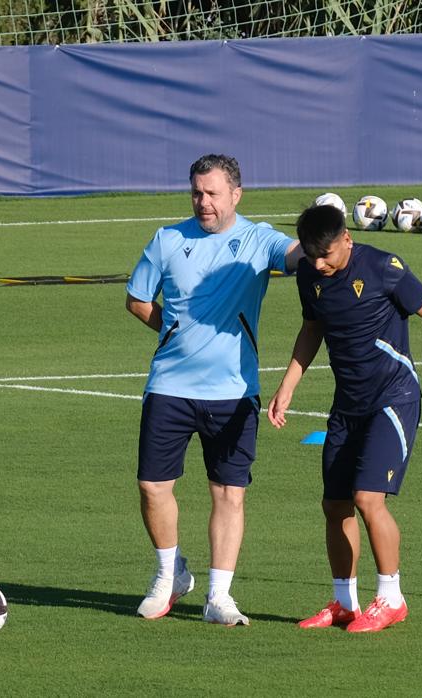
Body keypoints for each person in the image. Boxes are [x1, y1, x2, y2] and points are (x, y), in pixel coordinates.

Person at [125, 154, 303, 626]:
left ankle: (218, 596)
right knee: (152, 485)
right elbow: (138, 300)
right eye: (197, 193)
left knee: (228, 493)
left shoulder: (258, 239)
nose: (203, 202)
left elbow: (297, 255)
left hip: (233, 391)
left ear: (236, 195)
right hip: (169, 385)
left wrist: (320, 237)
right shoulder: (168, 239)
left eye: (212, 194)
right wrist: (172, 332)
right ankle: (170, 573)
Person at [267, 203, 422, 633]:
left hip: (393, 398)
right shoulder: (310, 274)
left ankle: (392, 598)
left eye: (328, 254)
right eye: (312, 256)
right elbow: (312, 327)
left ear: (347, 240)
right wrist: (288, 386)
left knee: (368, 499)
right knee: (334, 504)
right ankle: (343, 602)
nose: (319, 263)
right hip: (347, 405)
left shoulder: (383, 267)